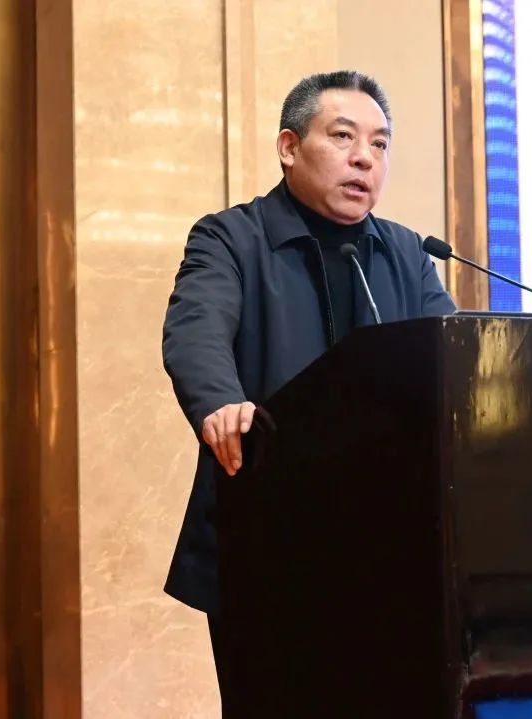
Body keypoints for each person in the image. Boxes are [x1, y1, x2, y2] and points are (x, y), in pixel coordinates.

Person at [161, 69, 456, 692]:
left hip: (394, 549)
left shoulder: (407, 254)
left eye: (379, 144)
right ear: (289, 148)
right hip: (268, 542)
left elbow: (455, 357)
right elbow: (196, 331)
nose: (364, 157)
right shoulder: (231, 239)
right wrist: (221, 403)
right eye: (343, 136)